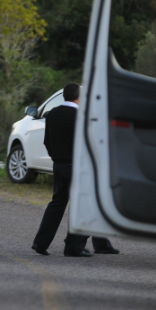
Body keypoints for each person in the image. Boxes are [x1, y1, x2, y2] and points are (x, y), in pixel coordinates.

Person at [32, 83, 119, 257]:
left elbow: (47, 142)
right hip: (79, 168)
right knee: (85, 206)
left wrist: (57, 158)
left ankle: (40, 242)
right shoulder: (83, 117)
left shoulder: (52, 115)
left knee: (57, 204)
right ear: (79, 97)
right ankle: (73, 246)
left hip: (59, 166)